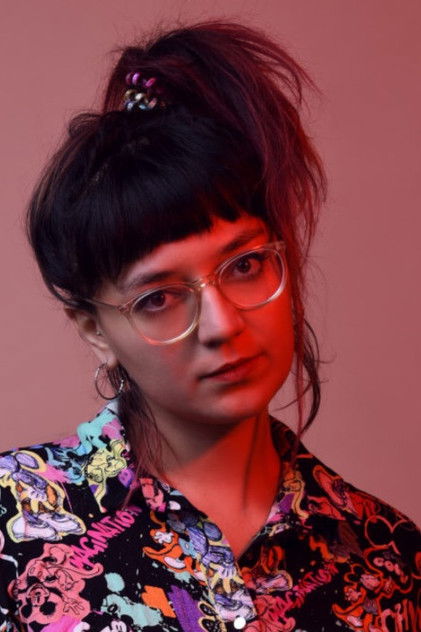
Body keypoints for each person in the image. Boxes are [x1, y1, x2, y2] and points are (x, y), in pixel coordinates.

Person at [0, 20, 419, 632]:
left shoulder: (389, 561)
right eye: (159, 298)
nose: (221, 325)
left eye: (245, 265)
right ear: (94, 330)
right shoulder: (14, 525)